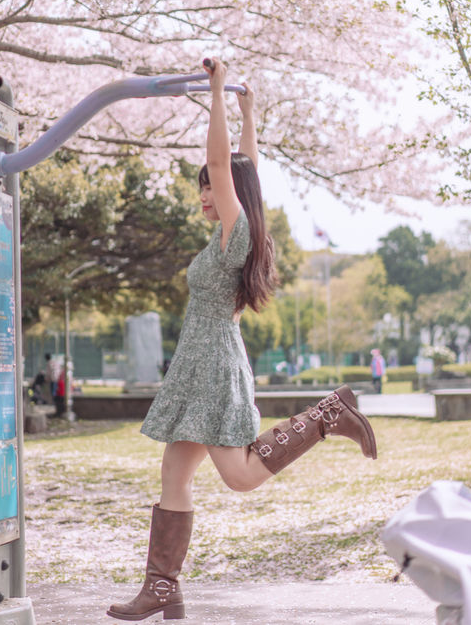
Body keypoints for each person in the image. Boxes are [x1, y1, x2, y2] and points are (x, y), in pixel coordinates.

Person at [107, 59, 378, 622]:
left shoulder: (239, 232)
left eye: (210, 189)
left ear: (229, 192)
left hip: (213, 369)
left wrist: (215, 92)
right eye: (204, 190)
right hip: (199, 365)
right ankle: (163, 589)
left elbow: (225, 163)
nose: (205, 196)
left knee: (241, 477)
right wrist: (249, 110)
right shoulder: (235, 231)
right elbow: (244, 166)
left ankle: (330, 415)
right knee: (174, 475)